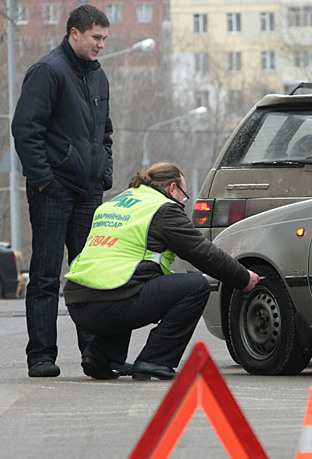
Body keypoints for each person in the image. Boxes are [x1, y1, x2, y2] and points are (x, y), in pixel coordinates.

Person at [63, 162, 260, 381]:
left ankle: (101, 355)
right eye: (184, 194)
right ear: (172, 188)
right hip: (111, 300)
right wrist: (243, 277)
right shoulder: (163, 209)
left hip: (78, 301)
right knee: (195, 287)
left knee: (132, 281)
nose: (184, 201)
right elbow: (203, 253)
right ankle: (155, 360)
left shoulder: (116, 203)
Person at [12, 5, 114, 378]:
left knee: (88, 275)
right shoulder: (48, 71)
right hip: (53, 190)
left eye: (104, 38)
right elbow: (25, 129)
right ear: (75, 33)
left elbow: (105, 133)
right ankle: (41, 355)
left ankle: (94, 355)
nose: (101, 45)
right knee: (45, 275)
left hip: (88, 191)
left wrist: (104, 174)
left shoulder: (99, 77)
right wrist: (43, 180)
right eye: (96, 38)